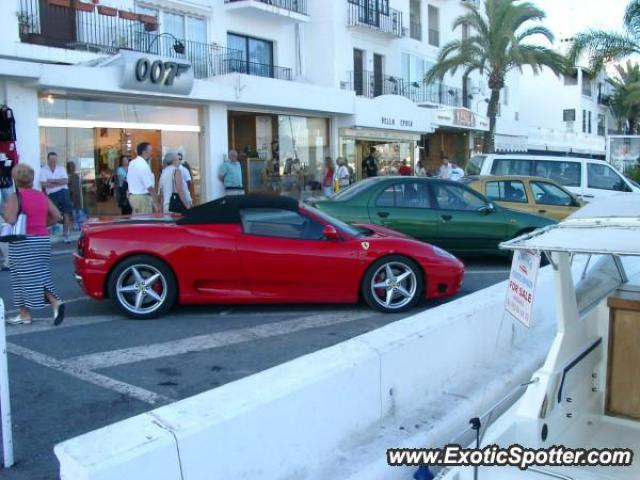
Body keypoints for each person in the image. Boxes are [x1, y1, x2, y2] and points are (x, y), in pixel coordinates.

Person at [4, 164, 65, 326]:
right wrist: (41, 225)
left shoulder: (16, 196)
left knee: (24, 277)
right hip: (42, 240)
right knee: (36, 274)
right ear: (31, 179)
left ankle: (55, 302)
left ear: (15, 179)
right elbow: (57, 216)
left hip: (23, 241)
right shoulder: (41, 195)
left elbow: (10, 219)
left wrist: (3, 211)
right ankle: (24, 314)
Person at [40, 152, 73, 243]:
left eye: (55, 159)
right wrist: (59, 182)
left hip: (64, 193)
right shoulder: (43, 170)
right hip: (52, 195)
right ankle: (46, 234)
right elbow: (43, 184)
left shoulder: (61, 168)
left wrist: (52, 181)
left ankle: (66, 235)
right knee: (52, 214)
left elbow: (66, 181)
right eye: (51, 159)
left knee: (66, 213)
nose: (53, 161)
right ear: (48, 159)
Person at [127, 142, 159, 214]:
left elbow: (128, 180)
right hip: (142, 199)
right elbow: (150, 187)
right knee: (145, 222)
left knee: (137, 221)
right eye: (150, 151)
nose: (152, 153)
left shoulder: (132, 163)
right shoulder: (143, 165)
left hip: (133, 197)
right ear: (144, 152)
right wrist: (157, 204)